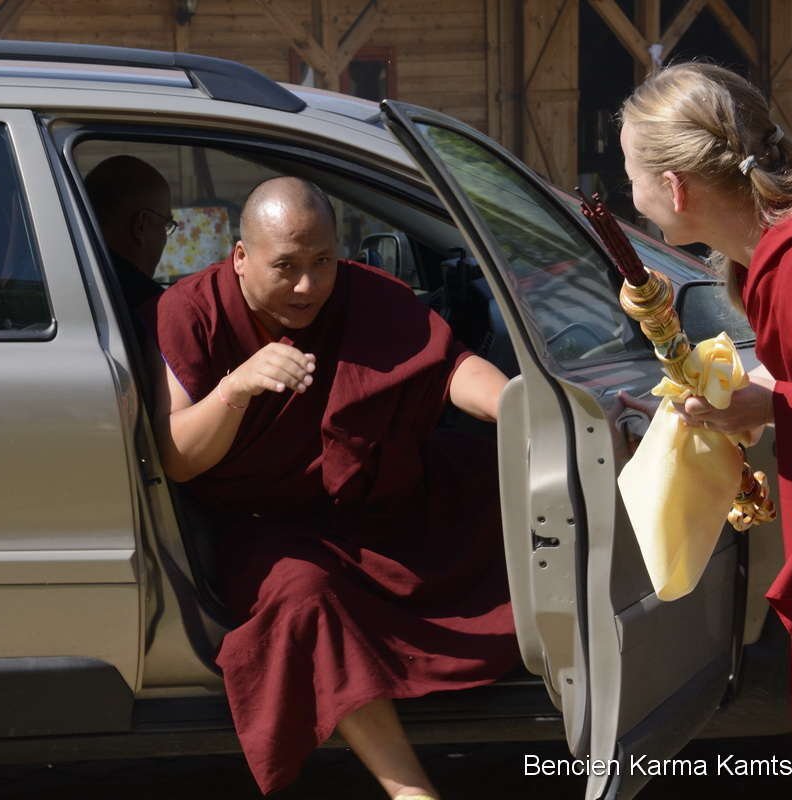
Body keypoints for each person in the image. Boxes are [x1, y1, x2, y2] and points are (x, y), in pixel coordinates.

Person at [146, 176, 519, 799]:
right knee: (306, 596)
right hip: (259, 527)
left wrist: (518, 407)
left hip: (365, 507)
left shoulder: (364, 295)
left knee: (510, 494)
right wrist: (236, 388)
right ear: (240, 258)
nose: (307, 286)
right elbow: (179, 459)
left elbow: (447, 367)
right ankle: (410, 791)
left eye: (322, 262)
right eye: (285, 267)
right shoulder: (191, 311)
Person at [620, 62, 792, 799]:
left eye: (630, 175)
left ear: (675, 188)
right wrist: (759, 391)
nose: (629, 196)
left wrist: (774, 408)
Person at [84, 155, 174, 311]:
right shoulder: (151, 308)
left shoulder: (77, 274)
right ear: (141, 226)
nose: (165, 238)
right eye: (166, 225)